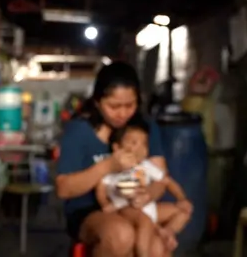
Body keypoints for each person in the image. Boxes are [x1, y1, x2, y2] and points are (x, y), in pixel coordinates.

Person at [55, 61, 189, 257]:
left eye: (130, 105)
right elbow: (64, 189)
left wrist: (147, 195)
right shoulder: (80, 131)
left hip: (136, 208)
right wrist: (109, 165)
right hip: (88, 211)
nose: (123, 113)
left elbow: (161, 179)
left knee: (157, 248)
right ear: (97, 102)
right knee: (121, 235)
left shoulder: (145, 129)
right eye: (114, 106)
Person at [96, 117, 193, 257]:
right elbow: (101, 187)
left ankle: (167, 232)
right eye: (134, 143)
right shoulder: (112, 166)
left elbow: (167, 181)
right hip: (126, 207)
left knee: (183, 212)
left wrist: (181, 198)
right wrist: (105, 204)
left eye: (145, 144)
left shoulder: (146, 166)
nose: (141, 148)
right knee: (146, 224)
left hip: (149, 207)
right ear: (117, 147)